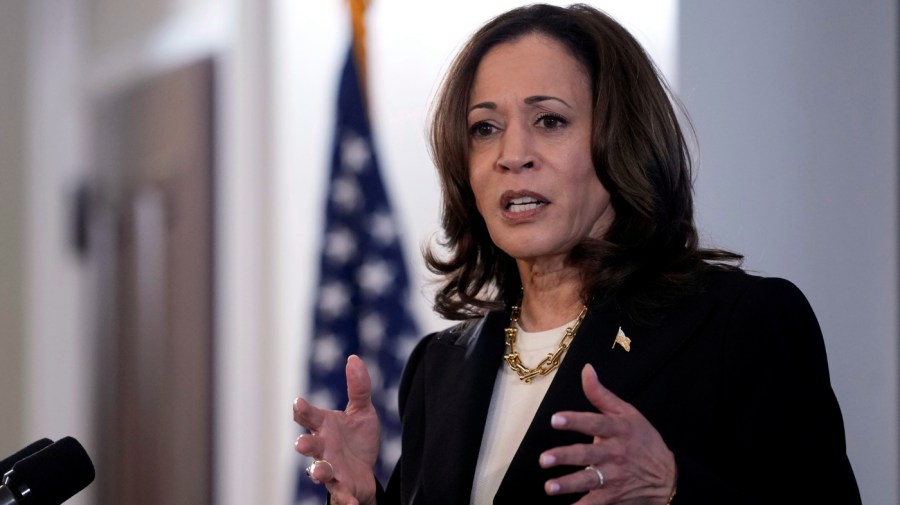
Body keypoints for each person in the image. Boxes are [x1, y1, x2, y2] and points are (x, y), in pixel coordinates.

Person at [293, 4, 861, 504]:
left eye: (550, 120)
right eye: (485, 128)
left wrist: (672, 489)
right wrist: (362, 500)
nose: (512, 155)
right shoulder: (438, 367)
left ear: (622, 140)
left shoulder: (740, 324)